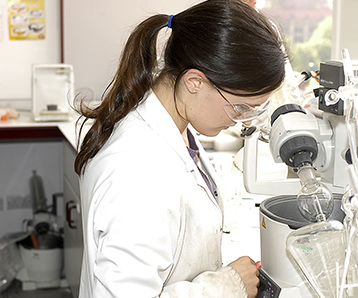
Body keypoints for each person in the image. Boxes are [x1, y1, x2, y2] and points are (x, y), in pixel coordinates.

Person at [73, 0, 287, 297]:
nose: (242, 121)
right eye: (240, 107)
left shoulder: (171, 123)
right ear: (195, 82)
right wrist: (226, 286)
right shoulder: (139, 171)